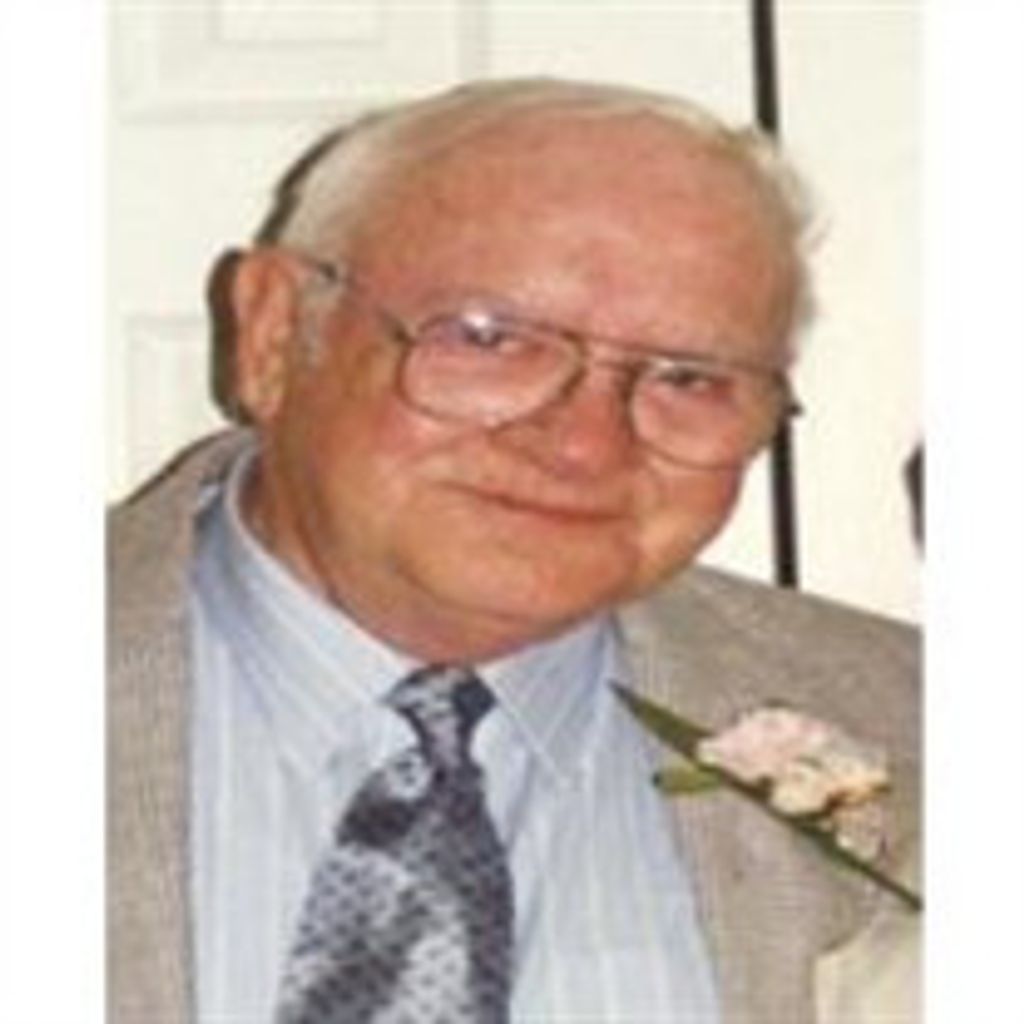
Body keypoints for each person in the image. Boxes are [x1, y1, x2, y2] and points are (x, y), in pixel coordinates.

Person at [108, 78, 920, 1024]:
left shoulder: (920, 721)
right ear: (276, 333)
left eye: (690, 378)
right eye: (491, 340)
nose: (585, 446)